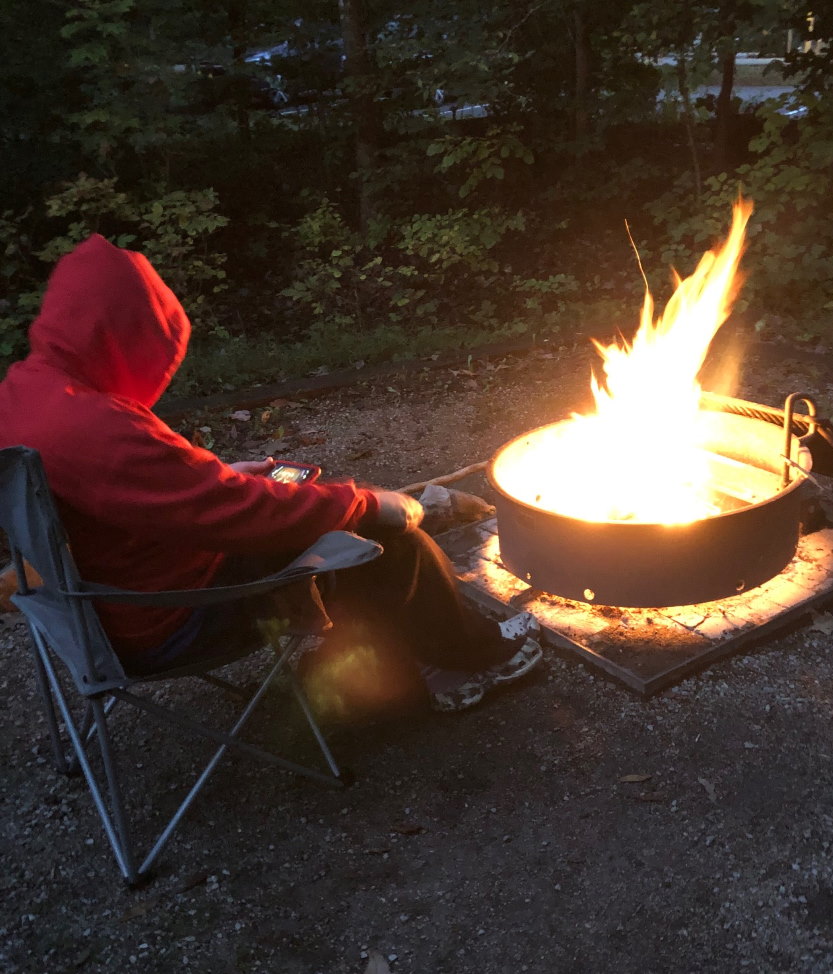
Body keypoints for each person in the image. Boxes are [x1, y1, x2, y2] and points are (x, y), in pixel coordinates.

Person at [0, 234, 541, 714]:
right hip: (169, 620)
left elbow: (136, 493)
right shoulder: (93, 427)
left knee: (321, 521)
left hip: (93, 614)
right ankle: (476, 658)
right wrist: (371, 505)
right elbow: (238, 513)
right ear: (124, 337)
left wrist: (211, 474)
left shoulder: (26, 394)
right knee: (385, 540)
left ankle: (385, 657)